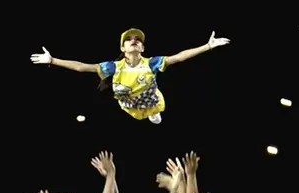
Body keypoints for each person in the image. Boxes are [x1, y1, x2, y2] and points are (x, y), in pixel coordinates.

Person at [30, 29, 230, 124]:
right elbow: (82, 68)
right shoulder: (112, 67)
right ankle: (144, 113)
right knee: (134, 111)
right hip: (129, 105)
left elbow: (178, 58)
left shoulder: (151, 63)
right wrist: (53, 60)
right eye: (129, 40)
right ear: (122, 48)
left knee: (156, 112)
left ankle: (153, 112)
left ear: (142, 47)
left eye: (138, 40)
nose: (133, 41)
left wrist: (207, 46)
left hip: (151, 98)